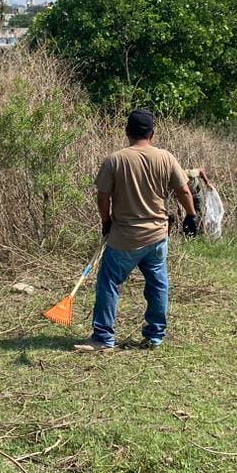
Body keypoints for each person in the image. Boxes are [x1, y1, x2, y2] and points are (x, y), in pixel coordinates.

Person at [75, 109, 198, 353]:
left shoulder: (115, 159)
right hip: (156, 236)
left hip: (124, 238)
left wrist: (106, 221)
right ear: (152, 133)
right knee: (157, 283)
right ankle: (155, 336)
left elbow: (103, 196)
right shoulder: (166, 158)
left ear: (127, 132)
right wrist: (191, 216)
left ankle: (103, 337)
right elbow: (184, 191)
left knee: (109, 282)